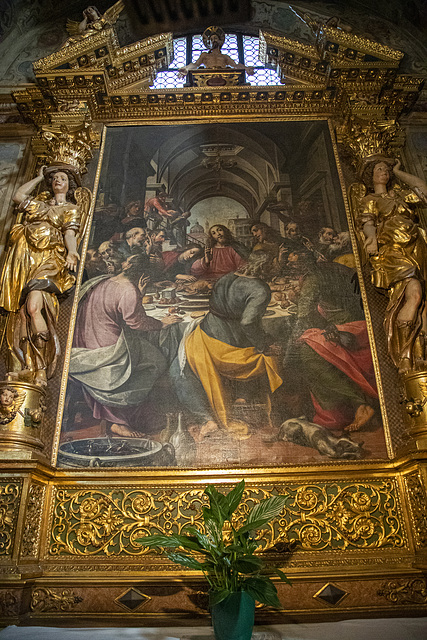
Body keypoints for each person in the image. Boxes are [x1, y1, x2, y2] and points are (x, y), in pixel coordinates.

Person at [172, 251, 282, 439]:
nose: (279, 265)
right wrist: (265, 345)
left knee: (178, 367)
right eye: (276, 261)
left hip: (203, 339)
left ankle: (214, 414)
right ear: (266, 266)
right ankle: (243, 399)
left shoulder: (227, 278)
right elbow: (248, 323)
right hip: (229, 351)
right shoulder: (260, 289)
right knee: (271, 353)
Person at [69, 253, 181, 437]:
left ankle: (128, 416)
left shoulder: (103, 280)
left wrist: (140, 293)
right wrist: (163, 323)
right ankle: (119, 420)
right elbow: (136, 323)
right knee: (156, 361)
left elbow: (120, 310)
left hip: (83, 339)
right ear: (144, 274)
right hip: (108, 348)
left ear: (126, 265)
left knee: (144, 354)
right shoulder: (129, 290)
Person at [0, 164, 90, 386]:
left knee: (33, 308)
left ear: (69, 186)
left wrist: (72, 251)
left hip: (50, 259)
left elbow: (70, 234)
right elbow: (18, 196)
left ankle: (41, 365)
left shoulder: (71, 209)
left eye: (63, 178)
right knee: (24, 314)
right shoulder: (39, 205)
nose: (58, 180)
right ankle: (31, 367)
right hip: (26, 257)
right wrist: (38, 178)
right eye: (54, 178)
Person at [284, 252, 378, 432]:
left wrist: (289, 351)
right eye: (289, 264)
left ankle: (359, 404)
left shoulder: (313, 279)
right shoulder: (329, 269)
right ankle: (349, 408)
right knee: (309, 342)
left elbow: (303, 316)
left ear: (305, 264)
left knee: (307, 351)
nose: (290, 267)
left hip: (355, 329)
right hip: (350, 324)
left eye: (294, 264)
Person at [356, 156, 427, 373]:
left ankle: (418, 353)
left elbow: (423, 188)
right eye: (380, 169)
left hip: (416, 247)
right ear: (371, 175)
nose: (384, 172)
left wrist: (399, 171)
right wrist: (372, 239)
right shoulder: (369, 199)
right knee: (413, 295)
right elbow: (368, 224)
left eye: (387, 170)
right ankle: (404, 355)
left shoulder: (399, 196)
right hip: (394, 250)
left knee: (423, 303)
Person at [178, 26, 254, 77]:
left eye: (215, 38)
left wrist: (246, 68)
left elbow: (236, 66)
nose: (214, 40)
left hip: (223, 78)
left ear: (220, 41)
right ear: (209, 43)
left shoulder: (225, 57)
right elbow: (195, 65)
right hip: (208, 77)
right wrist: (186, 68)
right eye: (211, 39)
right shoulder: (205, 55)